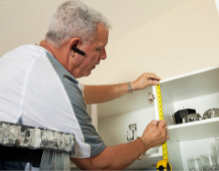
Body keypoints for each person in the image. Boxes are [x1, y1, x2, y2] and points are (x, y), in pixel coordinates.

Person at [0, 0, 169, 170]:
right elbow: (99, 164)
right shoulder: (57, 87)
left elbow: (84, 93)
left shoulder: (24, 58)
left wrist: (131, 85)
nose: (104, 56)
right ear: (74, 46)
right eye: (99, 48)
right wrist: (146, 141)